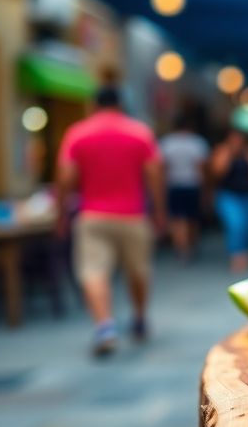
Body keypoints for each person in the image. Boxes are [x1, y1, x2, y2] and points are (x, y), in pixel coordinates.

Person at [54, 86, 166, 356]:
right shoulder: (140, 133)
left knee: (93, 271)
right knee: (138, 270)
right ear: (121, 104)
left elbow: (66, 178)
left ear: (94, 105)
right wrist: (160, 211)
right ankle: (139, 318)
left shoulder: (77, 133)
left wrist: (60, 214)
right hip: (133, 215)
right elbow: (154, 175)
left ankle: (105, 327)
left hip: (92, 215)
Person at [159, 114, 209, 262]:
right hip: (192, 184)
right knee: (191, 218)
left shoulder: (167, 143)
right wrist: (205, 187)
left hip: (173, 184)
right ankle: (189, 244)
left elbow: (162, 167)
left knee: (177, 218)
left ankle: (181, 247)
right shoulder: (197, 143)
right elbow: (201, 167)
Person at [211, 128, 248, 273]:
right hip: (228, 195)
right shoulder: (223, 151)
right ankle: (237, 256)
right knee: (236, 224)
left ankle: (246, 251)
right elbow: (217, 172)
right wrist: (229, 154)